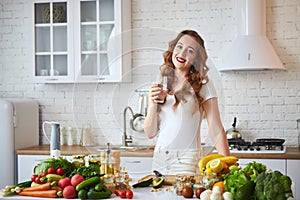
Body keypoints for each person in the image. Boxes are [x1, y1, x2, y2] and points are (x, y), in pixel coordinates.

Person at [144, 30, 230, 175]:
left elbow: (216, 129)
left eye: (190, 51)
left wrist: (229, 165)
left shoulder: (203, 85)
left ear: (196, 58)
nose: (182, 53)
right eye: (179, 47)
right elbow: (150, 133)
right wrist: (152, 104)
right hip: (159, 159)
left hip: (187, 161)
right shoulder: (161, 81)